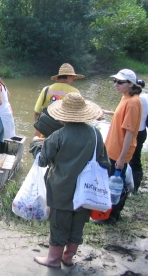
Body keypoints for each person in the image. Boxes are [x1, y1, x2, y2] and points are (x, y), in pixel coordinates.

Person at [35, 92, 110, 269]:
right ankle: (68, 258)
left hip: (62, 188)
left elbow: (42, 160)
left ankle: (53, 260)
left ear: (62, 116)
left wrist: (36, 145)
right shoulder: (95, 134)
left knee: (60, 223)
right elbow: (105, 162)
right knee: (78, 224)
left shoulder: (58, 136)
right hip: (88, 189)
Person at [94, 69, 142, 225]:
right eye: (115, 81)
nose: (116, 84)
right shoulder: (126, 98)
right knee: (112, 182)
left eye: (120, 82)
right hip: (113, 149)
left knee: (116, 185)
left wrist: (122, 158)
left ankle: (111, 216)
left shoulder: (133, 103)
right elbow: (121, 115)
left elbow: (129, 132)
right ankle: (110, 213)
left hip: (119, 152)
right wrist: (106, 112)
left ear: (130, 84)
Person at [33, 63, 84, 137]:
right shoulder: (75, 92)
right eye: (73, 77)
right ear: (68, 76)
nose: (72, 80)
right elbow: (79, 117)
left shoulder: (46, 89)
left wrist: (40, 129)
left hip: (45, 136)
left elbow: (36, 113)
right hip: (63, 138)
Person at [129, 79, 148, 192]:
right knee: (136, 157)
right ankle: (135, 185)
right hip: (142, 131)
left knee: (133, 159)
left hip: (135, 132)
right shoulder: (147, 97)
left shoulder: (136, 99)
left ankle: (134, 187)